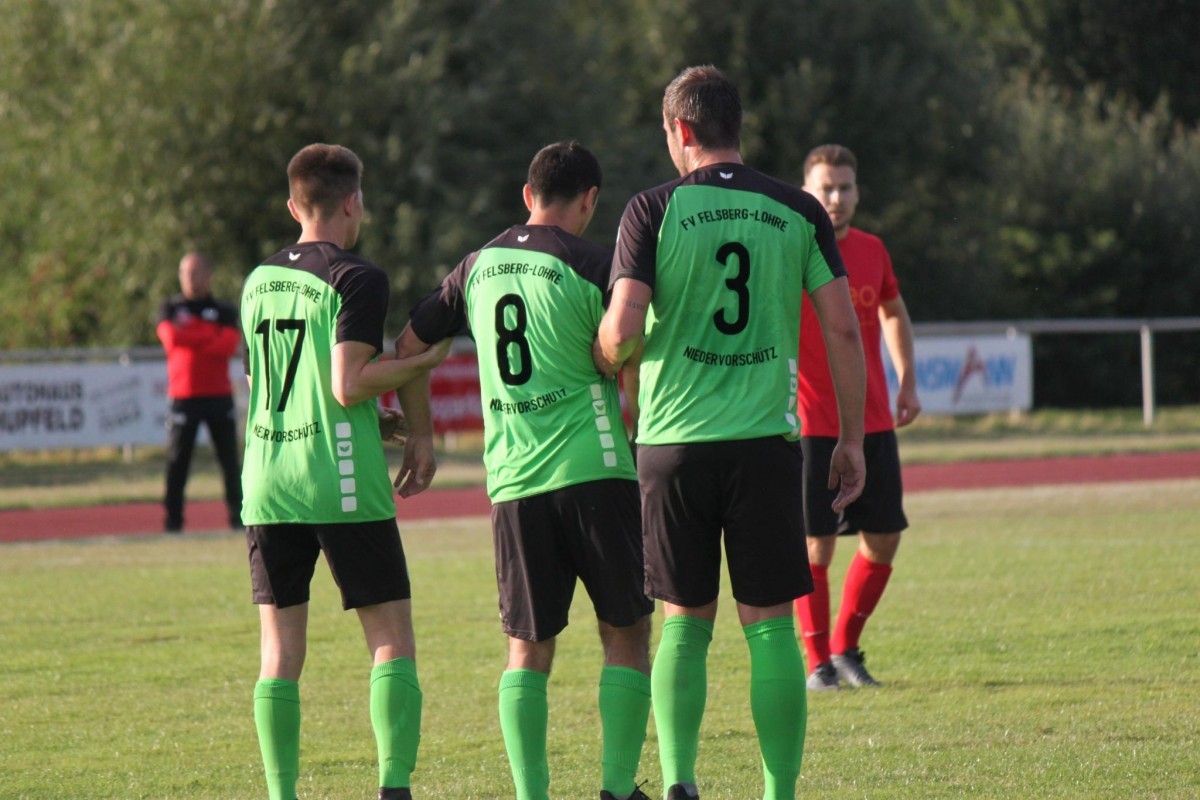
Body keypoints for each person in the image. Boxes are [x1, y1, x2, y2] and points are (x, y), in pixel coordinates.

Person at [595, 66, 868, 800]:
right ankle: (779, 791)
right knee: (771, 625)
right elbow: (842, 326)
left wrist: (605, 352)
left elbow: (620, 334)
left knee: (684, 621)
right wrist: (849, 438)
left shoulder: (650, 211)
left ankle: (681, 782)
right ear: (735, 127)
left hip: (675, 445)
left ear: (681, 132)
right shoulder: (799, 210)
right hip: (765, 444)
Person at [395, 141, 654, 800]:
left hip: (513, 483)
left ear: (526, 194)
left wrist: (420, 436)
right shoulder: (596, 263)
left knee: (526, 649)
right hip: (594, 469)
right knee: (624, 633)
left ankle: (530, 795)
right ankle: (618, 790)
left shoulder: (476, 266)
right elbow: (624, 344)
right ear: (590, 201)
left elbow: (410, 347)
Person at [240, 143, 450, 800]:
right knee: (389, 635)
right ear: (352, 201)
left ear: (293, 204)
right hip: (339, 480)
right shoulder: (356, 276)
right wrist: (422, 363)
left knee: (280, 652)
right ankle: (393, 788)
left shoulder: (256, 281)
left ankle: (282, 794)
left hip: (269, 480)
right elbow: (347, 382)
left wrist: (383, 422)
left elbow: (272, 381)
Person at [794, 144, 921, 691]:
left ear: (857, 192)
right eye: (826, 187)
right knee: (815, 545)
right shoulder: (790, 250)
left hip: (872, 421)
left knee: (885, 535)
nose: (837, 198)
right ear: (807, 191)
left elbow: (892, 310)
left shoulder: (872, 249)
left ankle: (847, 648)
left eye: (845, 187)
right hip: (811, 422)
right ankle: (817, 663)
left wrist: (907, 377)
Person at [155, 251, 242, 532]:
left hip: (218, 396)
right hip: (183, 397)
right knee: (177, 463)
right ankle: (173, 522)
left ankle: (238, 520)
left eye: (194, 273)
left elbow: (227, 345)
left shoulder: (224, 310)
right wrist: (207, 334)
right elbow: (170, 339)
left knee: (230, 462)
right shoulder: (169, 307)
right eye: (184, 273)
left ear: (208, 275)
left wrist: (190, 334)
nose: (189, 279)